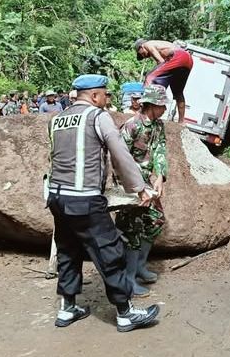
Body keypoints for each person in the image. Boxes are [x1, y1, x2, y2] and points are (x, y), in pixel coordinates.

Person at [46, 74, 160, 332]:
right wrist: (139, 188)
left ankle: (67, 308)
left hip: (56, 197)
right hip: (84, 200)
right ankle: (125, 313)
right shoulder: (97, 117)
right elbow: (120, 153)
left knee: (68, 250)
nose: (106, 99)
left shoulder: (57, 120)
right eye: (105, 95)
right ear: (95, 96)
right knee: (111, 251)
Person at [116, 85, 168, 298]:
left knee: (156, 221)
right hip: (130, 186)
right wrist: (134, 190)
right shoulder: (131, 125)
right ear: (152, 104)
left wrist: (161, 177)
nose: (165, 109)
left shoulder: (158, 126)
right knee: (132, 232)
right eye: (162, 105)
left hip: (146, 183)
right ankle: (128, 280)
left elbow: (160, 149)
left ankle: (139, 267)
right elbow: (119, 158)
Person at [134, 39, 193, 123]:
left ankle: (144, 111)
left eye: (142, 54)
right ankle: (181, 122)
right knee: (178, 93)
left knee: (149, 77)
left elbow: (160, 62)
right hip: (188, 60)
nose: (144, 57)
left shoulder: (147, 44)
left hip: (178, 57)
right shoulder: (160, 45)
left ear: (141, 47)